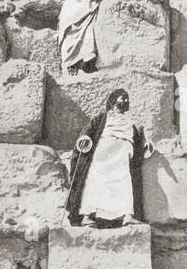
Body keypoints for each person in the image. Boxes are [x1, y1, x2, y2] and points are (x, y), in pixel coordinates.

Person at [65, 88, 153, 228]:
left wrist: (145, 147)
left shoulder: (130, 124)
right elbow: (88, 132)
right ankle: (87, 215)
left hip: (121, 157)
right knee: (94, 182)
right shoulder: (102, 119)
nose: (126, 100)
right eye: (122, 97)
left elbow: (137, 144)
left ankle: (127, 216)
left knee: (124, 184)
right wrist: (85, 139)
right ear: (113, 101)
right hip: (102, 155)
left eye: (127, 98)